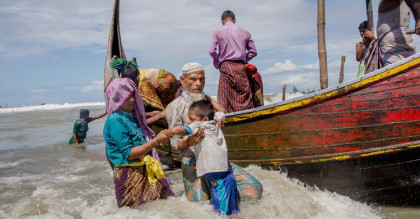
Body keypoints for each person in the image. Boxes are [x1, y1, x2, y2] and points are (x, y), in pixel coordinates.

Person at [164, 62, 263, 203]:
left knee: (254, 188)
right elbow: (174, 142)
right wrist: (189, 142)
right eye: (193, 79)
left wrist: (218, 120)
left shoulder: (208, 102)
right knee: (202, 205)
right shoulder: (174, 107)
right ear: (182, 80)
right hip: (192, 163)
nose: (198, 83)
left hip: (216, 160)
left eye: (202, 79)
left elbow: (221, 113)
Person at [103, 77, 174, 208]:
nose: (131, 100)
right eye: (126, 96)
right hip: (130, 175)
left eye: (132, 95)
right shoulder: (115, 120)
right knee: (133, 211)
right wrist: (156, 141)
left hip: (143, 169)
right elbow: (129, 154)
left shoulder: (131, 117)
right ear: (115, 97)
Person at [163, 100, 239, 216]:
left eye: (191, 119)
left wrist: (166, 133)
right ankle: (230, 214)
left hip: (212, 169)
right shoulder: (215, 121)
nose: (188, 122)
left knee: (219, 195)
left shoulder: (199, 125)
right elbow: (222, 111)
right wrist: (209, 99)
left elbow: (176, 130)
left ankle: (223, 215)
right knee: (227, 190)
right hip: (223, 169)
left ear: (204, 120)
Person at [209, 10, 257, 113]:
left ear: (222, 21)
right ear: (234, 20)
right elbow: (253, 52)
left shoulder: (217, 31)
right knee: (243, 96)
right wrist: (243, 59)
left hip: (226, 66)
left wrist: (217, 62)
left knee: (224, 96)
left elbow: (211, 51)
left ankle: (225, 120)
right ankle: (247, 118)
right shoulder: (245, 32)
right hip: (241, 67)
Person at [363, 0, 420, 74]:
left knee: (406, 72)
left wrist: (418, 20)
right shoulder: (388, 2)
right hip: (393, 44)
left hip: (400, 42)